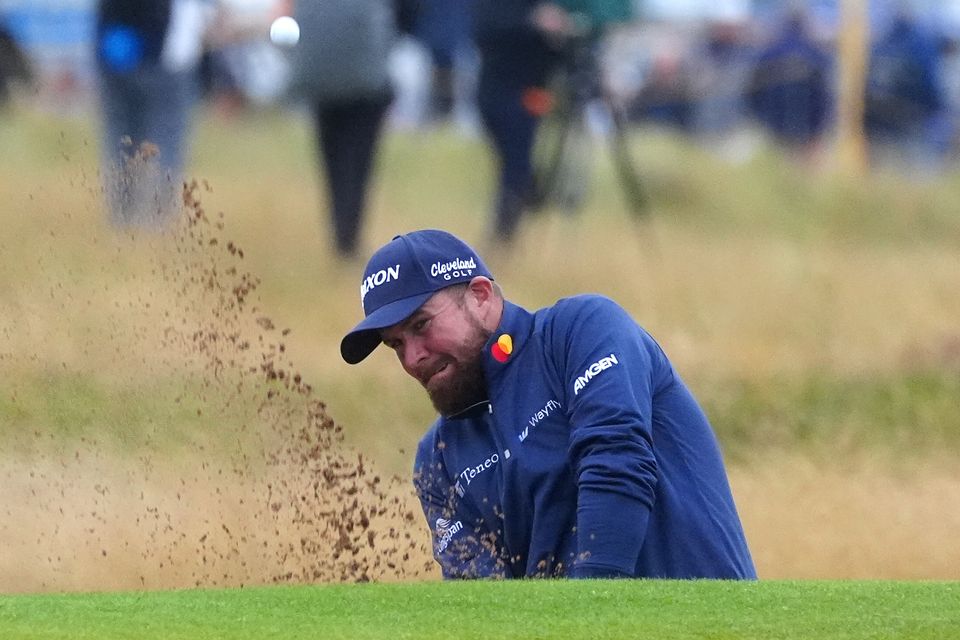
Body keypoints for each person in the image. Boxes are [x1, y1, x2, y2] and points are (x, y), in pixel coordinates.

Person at [340, 229, 756, 579]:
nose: (413, 358)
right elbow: (484, 602)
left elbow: (616, 464)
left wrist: (583, 620)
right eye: (396, 344)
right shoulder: (438, 462)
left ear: (481, 296)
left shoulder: (580, 332)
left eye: (421, 325)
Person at [287, 0, 419, 258]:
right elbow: (409, 11)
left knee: (331, 153)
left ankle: (340, 232)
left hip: (322, 69)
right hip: (368, 70)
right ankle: (349, 233)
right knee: (360, 157)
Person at [95, 0, 216, 226]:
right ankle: (155, 222)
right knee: (164, 143)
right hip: (166, 58)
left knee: (120, 142)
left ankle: (122, 220)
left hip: (116, 48)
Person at [746, 8, 832, 164]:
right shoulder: (817, 55)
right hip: (807, 133)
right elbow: (826, 99)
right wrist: (818, 131)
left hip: (774, 131)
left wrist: (762, 122)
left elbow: (751, 93)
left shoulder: (768, 53)